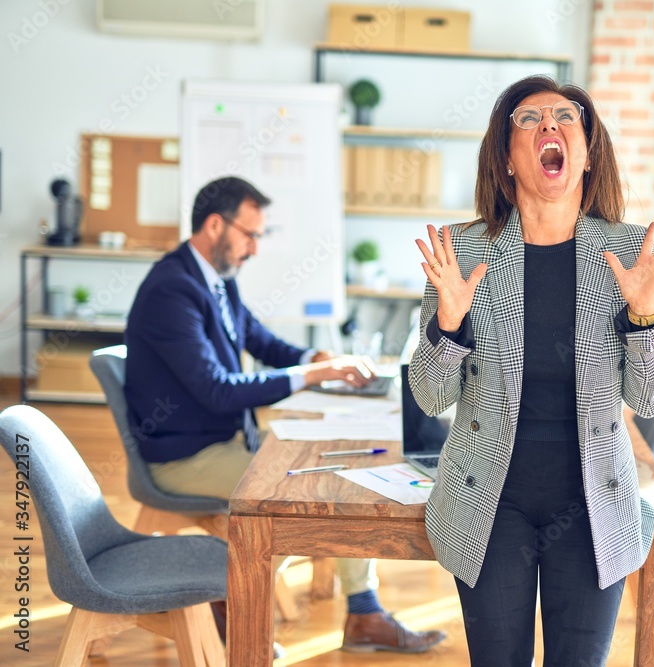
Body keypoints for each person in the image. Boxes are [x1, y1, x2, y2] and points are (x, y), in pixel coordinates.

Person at [408, 75, 654, 665]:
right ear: (507, 160)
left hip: (593, 504)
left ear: (587, 154)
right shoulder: (462, 252)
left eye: (566, 117)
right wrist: (449, 325)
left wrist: (645, 313)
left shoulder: (629, 251)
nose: (548, 126)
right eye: (529, 119)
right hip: (490, 500)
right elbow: (432, 398)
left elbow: (651, 393)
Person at [125, 176, 445, 654]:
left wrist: (315, 358)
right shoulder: (171, 290)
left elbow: (264, 343)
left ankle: (362, 614)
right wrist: (313, 377)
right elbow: (215, 390)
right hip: (185, 456)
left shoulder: (215, 279)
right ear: (215, 225)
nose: (254, 248)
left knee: (339, 475)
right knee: (302, 498)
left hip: (225, 443)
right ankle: (236, 605)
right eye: (250, 234)